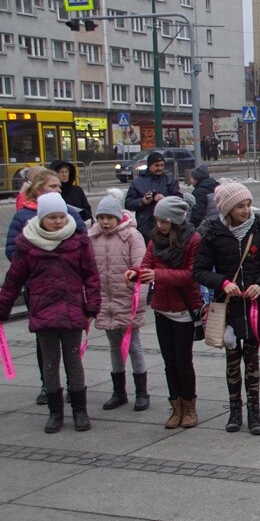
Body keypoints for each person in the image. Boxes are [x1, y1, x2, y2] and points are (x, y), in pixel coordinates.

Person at [0, 193, 101, 433]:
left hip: (72, 311)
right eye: (52, 217)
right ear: (41, 218)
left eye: (61, 216)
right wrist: (3, 309)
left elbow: (91, 276)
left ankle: (80, 410)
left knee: (73, 360)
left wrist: (92, 306)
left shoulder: (79, 242)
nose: (58, 222)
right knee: (49, 363)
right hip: (43, 312)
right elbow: (13, 281)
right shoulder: (28, 245)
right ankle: (55, 412)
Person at [193, 183, 260, 436]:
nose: (246, 210)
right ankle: (234, 410)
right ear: (227, 209)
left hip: (254, 305)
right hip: (228, 307)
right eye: (240, 206)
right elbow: (199, 270)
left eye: (248, 205)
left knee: (252, 359)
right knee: (232, 360)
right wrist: (222, 283)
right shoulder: (213, 234)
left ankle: (254, 411)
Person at [6, 169, 87, 406]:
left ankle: (75, 390)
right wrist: (35, 267)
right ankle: (48, 386)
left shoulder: (70, 213)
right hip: (39, 289)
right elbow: (13, 251)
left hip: (68, 290)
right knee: (46, 345)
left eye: (59, 186)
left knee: (71, 348)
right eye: (53, 186)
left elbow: (84, 247)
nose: (59, 189)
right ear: (38, 188)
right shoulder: (23, 216)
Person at [127, 197, 203, 428]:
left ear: (176, 221)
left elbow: (192, 274)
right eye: (158, 220)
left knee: (183, 361)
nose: (160, 225)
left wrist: (158, 275)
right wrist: (136, 273)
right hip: (162, 308)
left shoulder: (193, 240)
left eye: (165, 221)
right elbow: (146, 265)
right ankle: (176, 407)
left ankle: (189, 407)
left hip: (184, 309)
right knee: (169, 362)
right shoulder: (156, 240)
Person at [89, 194, 150, 411]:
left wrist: (138, 301)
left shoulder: (132, 236)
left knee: (133, 345)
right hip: (106, 301)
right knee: (114, 347)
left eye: (109, 217)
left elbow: (141, 269)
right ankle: (119, 392)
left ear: (118, 217)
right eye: (101, 218)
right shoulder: (93, 238)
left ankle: (142, 392)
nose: (105, 222)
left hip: (127, 300)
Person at [124, 151, 181, 242]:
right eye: (156, 165)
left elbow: (180, 200)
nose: (160, 168)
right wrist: (142, 201)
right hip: (145, 229)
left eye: (162, 165)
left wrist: (166, 200)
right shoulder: (137, 182)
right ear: (149, 165)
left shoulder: (170, 181)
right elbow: (128, 204)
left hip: (167, 228)